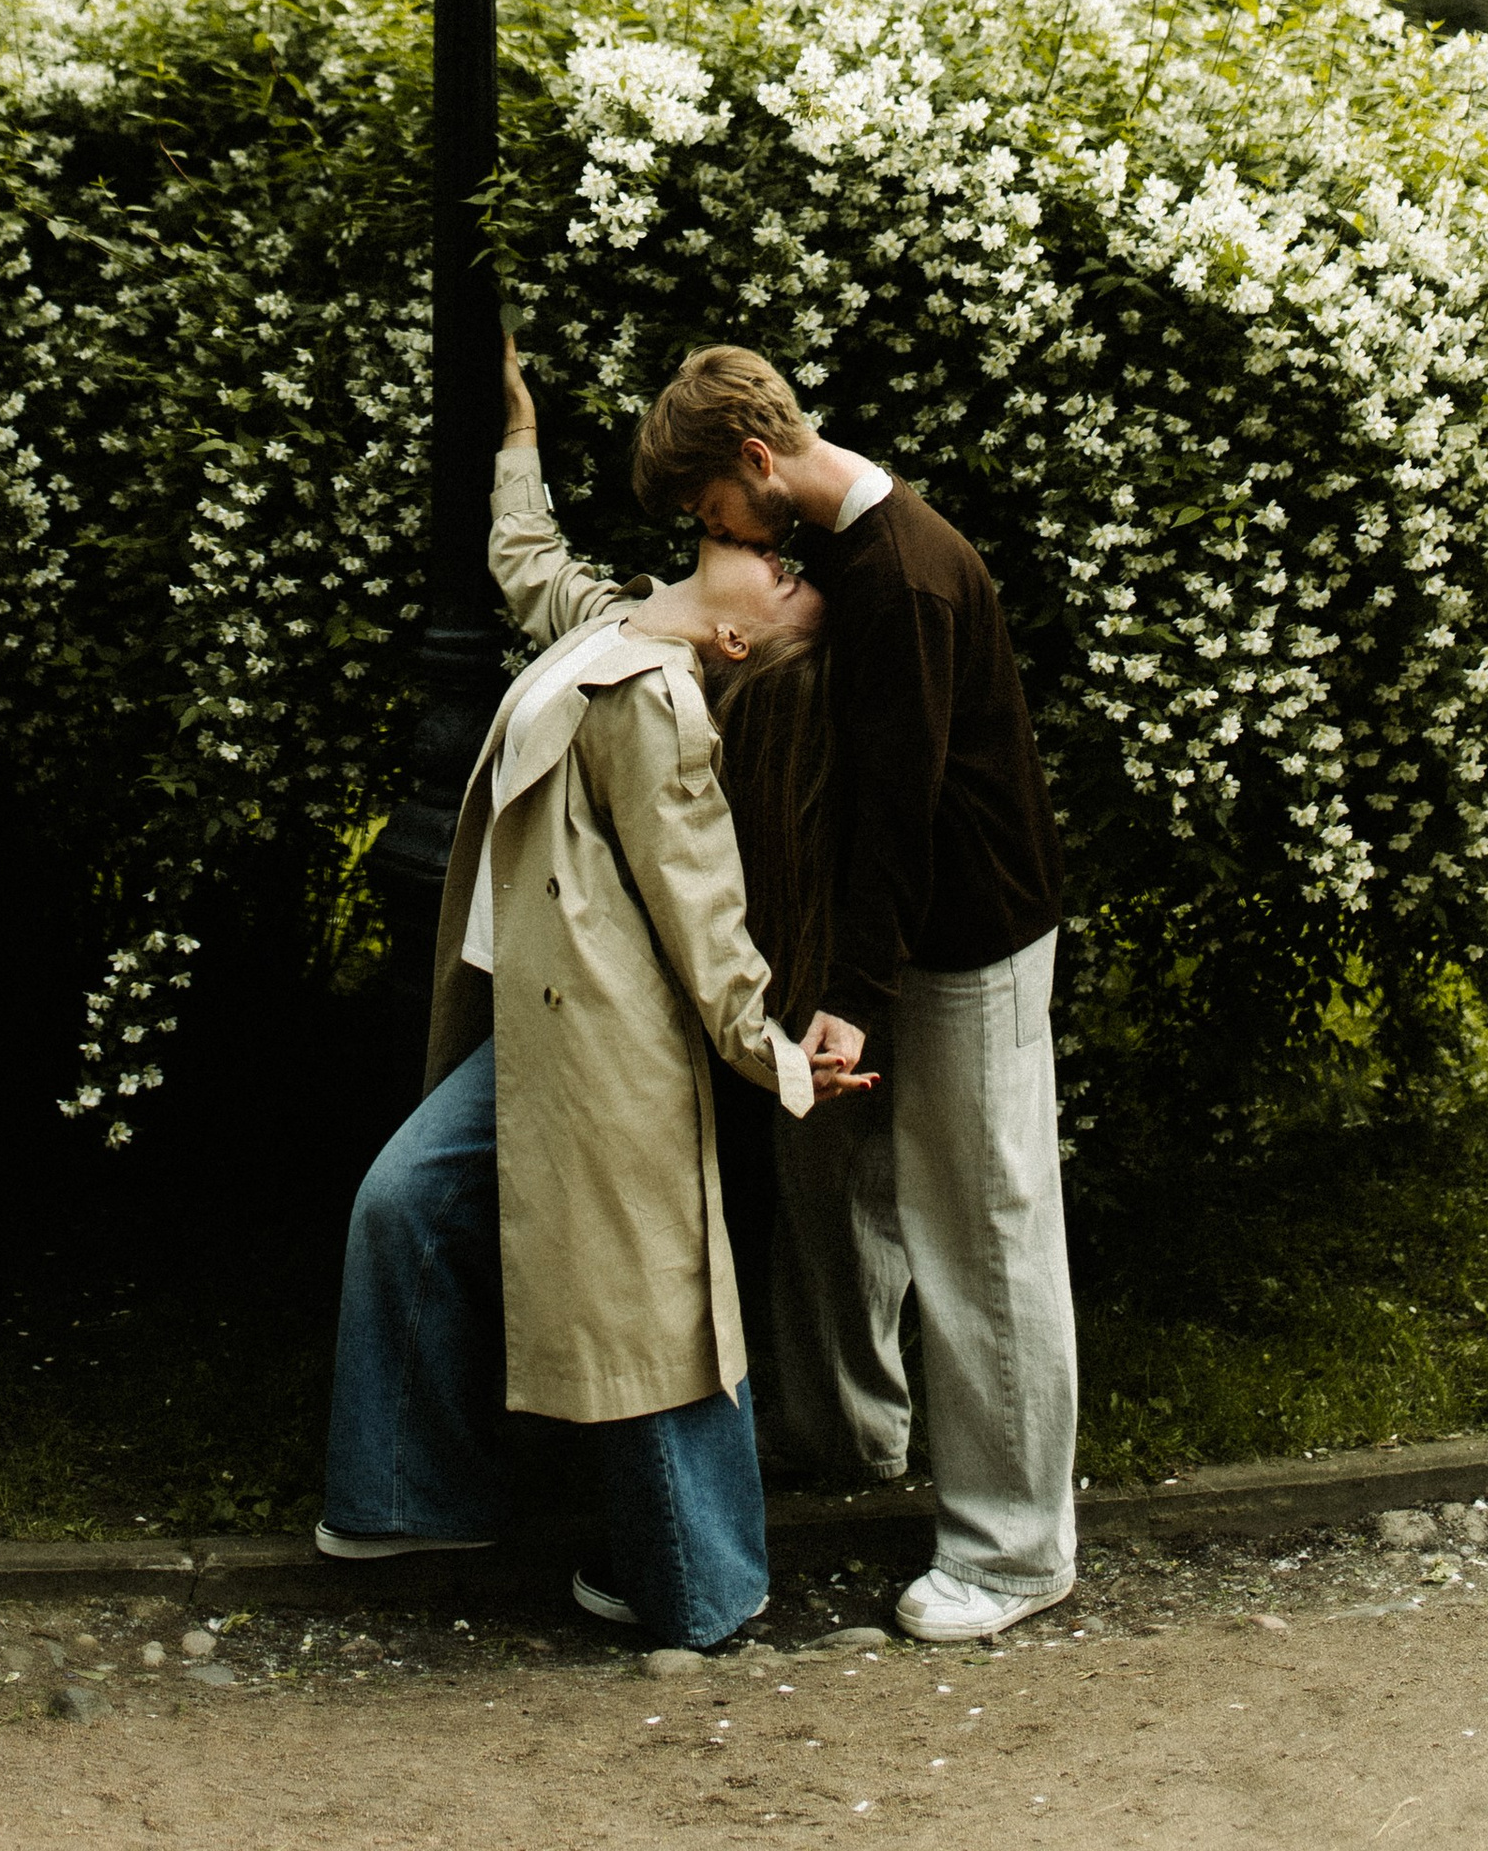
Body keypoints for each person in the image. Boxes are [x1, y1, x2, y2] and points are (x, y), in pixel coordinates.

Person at [316, 341, 871, 1652]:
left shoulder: (666, 703)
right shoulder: (615, 622)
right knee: (406, 1200)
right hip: (541, 1023)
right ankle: (417, 1495)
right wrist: (515, 431)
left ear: (736, 639)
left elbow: (705, 915)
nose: (773, 558)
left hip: (610, 1040)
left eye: (788, 585)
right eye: (783, 564)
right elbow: (526, 568)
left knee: (652, 1315)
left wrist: (775, 1055)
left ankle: (701, 1588)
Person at [633, 343, 1078, 1648]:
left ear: (758, 464)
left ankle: (1015, 1546)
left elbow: (902, 816)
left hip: (969, 935)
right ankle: (853, 1434)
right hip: (894, 933)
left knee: (986, 1223)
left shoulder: (904, 576)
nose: (716, 539)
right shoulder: (843, 548)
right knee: (849, 1180)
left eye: (714, 512)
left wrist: (850, 997)